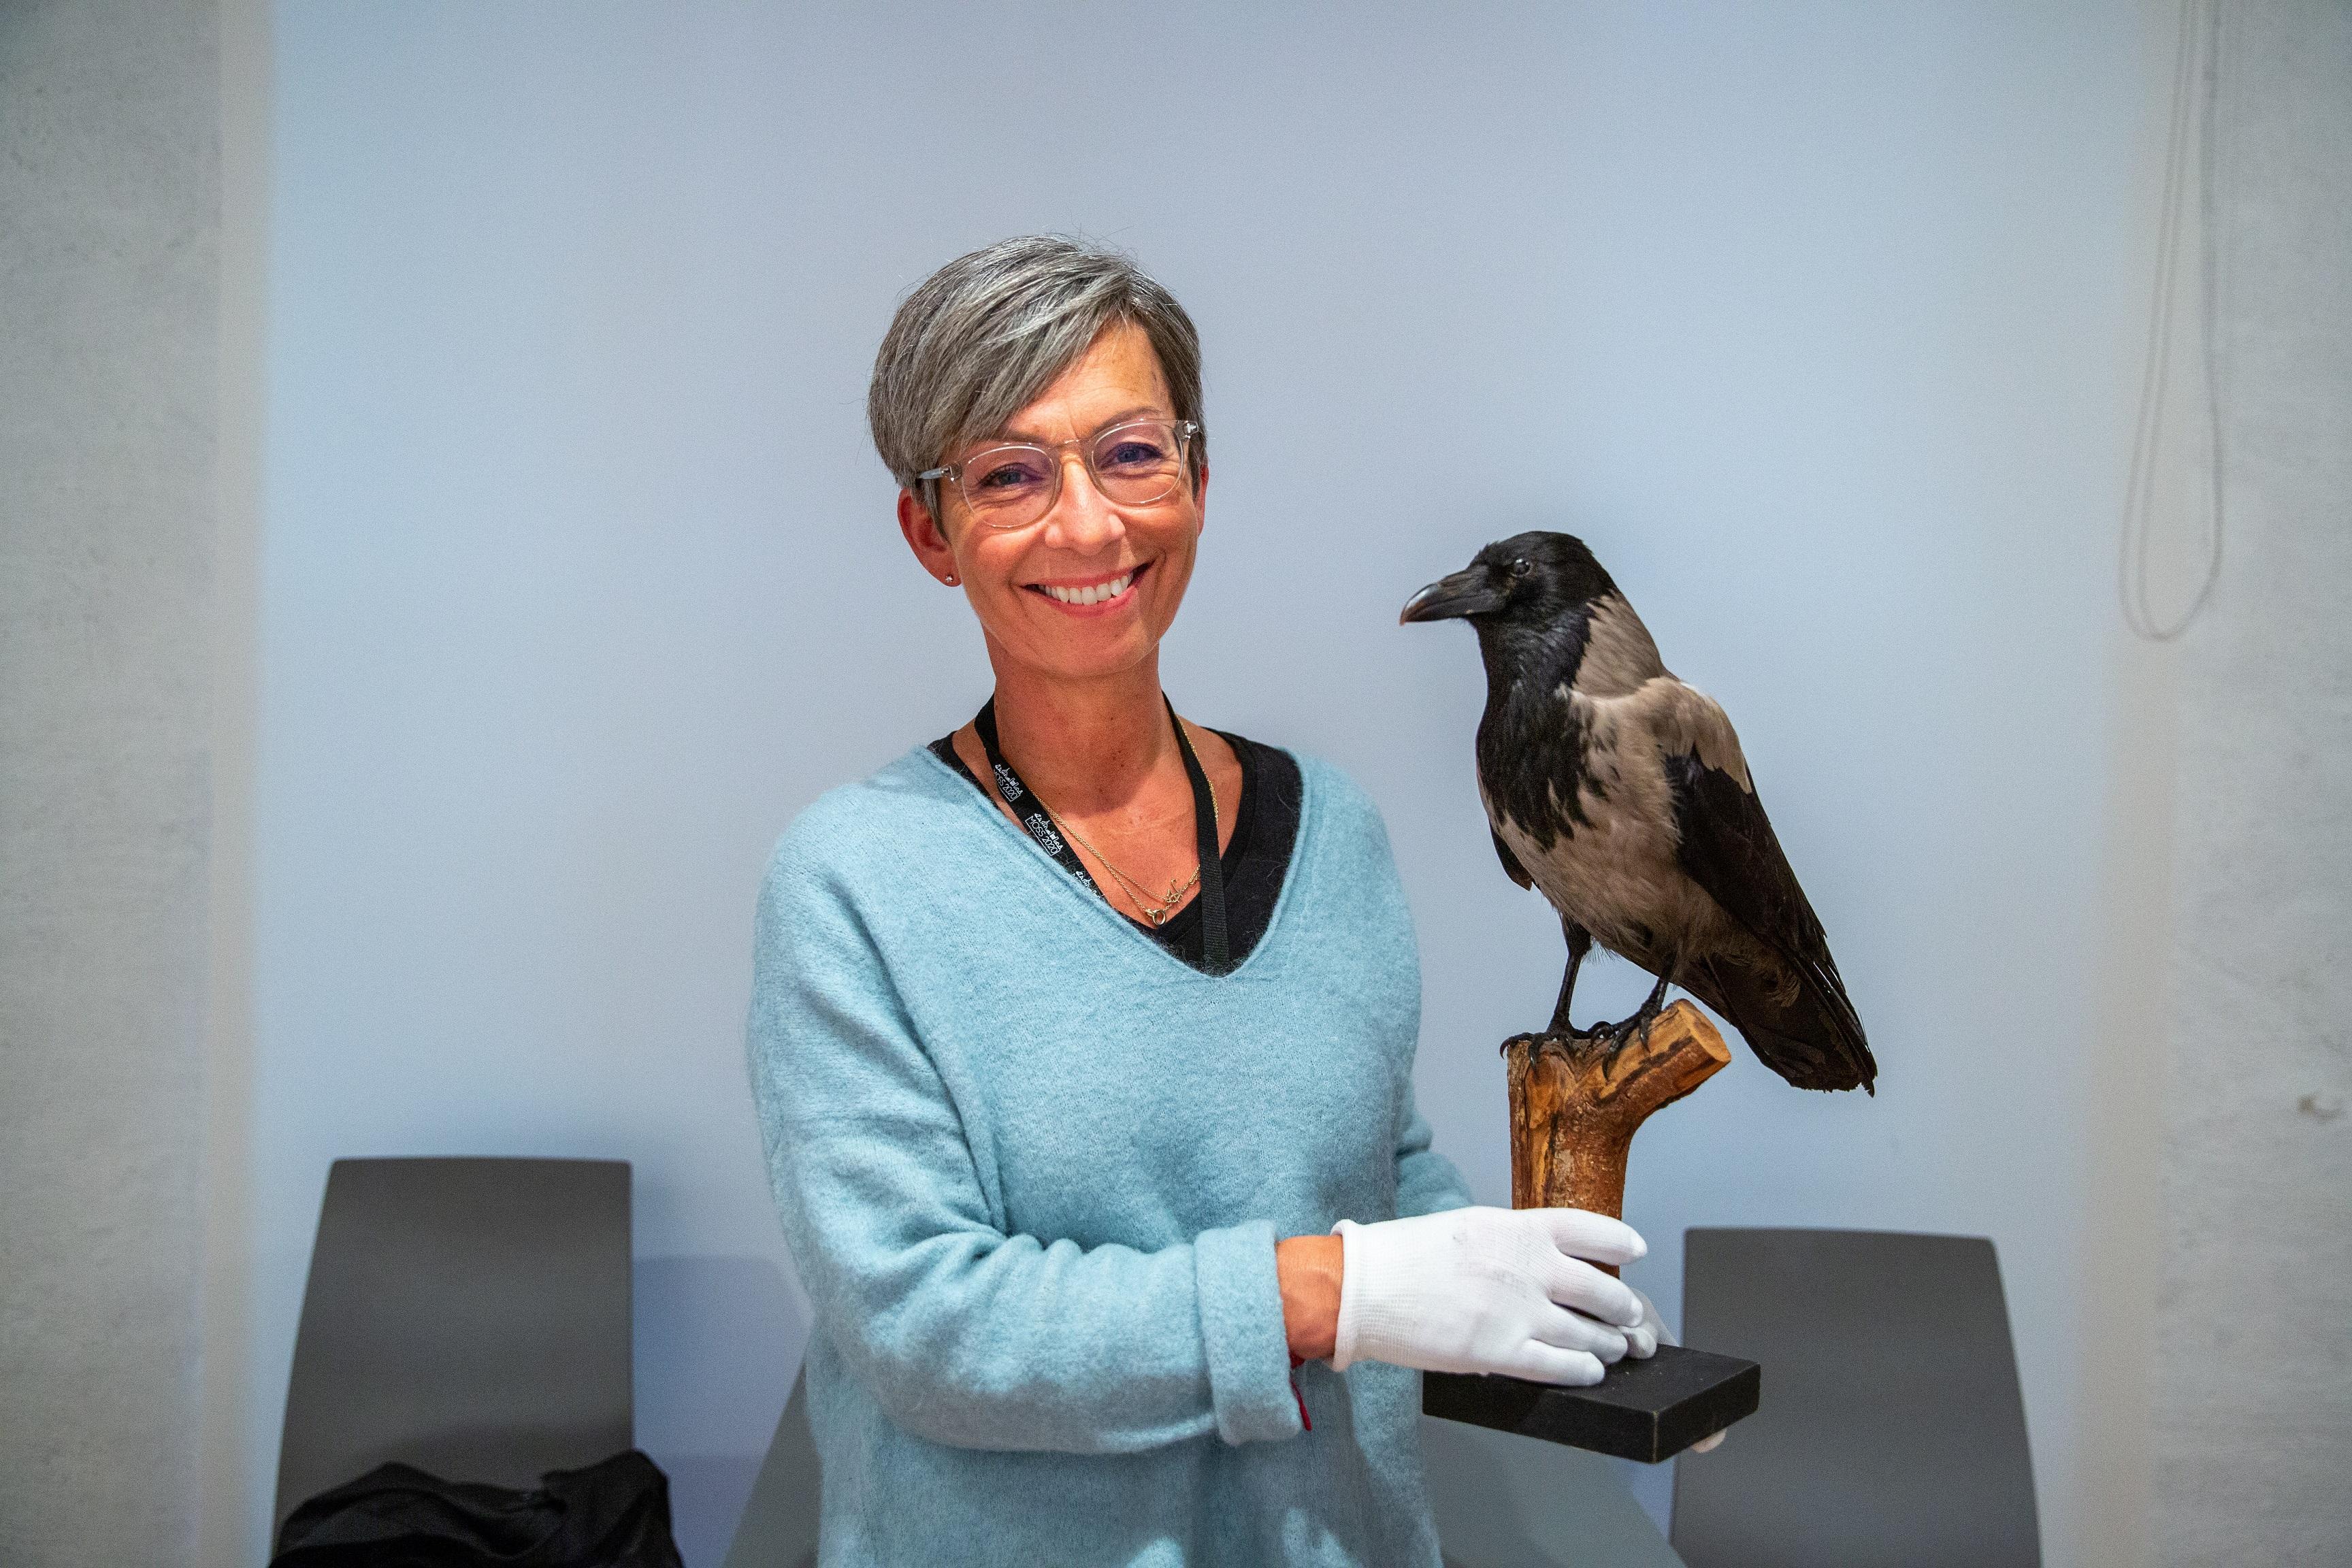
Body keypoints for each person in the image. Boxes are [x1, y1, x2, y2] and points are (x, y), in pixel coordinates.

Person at [747, 235, 1667, 1567]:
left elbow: (1375, 1170)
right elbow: (931, 1332)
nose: (1088, 524)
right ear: (930, 531)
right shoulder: (856, 885)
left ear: (1197, 474)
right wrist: (1333, 1295)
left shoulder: (1334, 830)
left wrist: (1539, 1299)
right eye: (1011, 473)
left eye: (1130, 453)